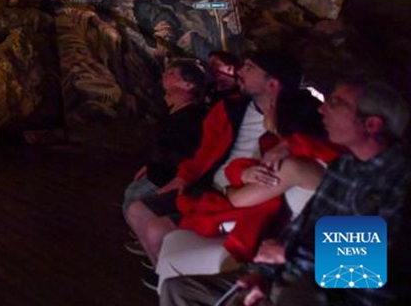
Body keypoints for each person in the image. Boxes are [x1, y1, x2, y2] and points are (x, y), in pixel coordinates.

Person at [160, 78, 411, 306]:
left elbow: (368, 263)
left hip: (343, 294)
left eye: (335, 104)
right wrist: (264, 273)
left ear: (372, 124)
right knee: (180, 290)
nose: (322, 109)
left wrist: (287, 257)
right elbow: (303, 227)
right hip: (296, 275)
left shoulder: (399, 182)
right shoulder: (343, 167)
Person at [128, 51, 302, 270]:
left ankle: (177, 275)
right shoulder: (229, 109)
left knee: (156, 229)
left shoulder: (298, 119)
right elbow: (204, 153)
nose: (239, 71)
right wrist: (184, 176)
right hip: (214, 186)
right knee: (136, 210)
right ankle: (166, 273)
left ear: (273, 84)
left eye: (249, 68)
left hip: (244, 198)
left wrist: (287, 144)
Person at [154, 88, 340, 287]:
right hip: (275, 240)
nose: (264, 110)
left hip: (279, 251)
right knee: (173, 241)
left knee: (174, 275)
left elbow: (238, 199)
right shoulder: (283, 149)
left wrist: (227, 189)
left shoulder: (291, 164)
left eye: (270, 106)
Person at [124, 59, 210, 222]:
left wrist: (159, 165)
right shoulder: (173, 111)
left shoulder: (194, 117)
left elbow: (186, 154)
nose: (165, 75)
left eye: (172, 73)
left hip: (170, 178)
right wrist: (150, 165)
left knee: (134, 200)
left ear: (188, 85)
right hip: (159, 173)